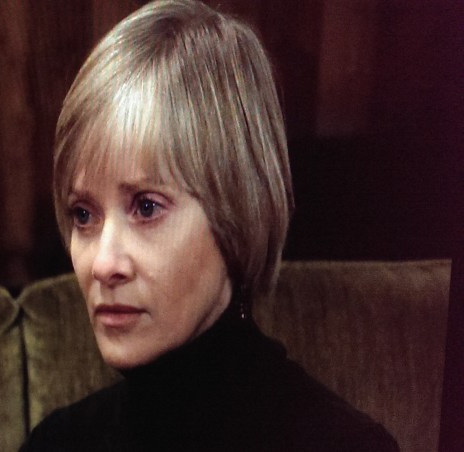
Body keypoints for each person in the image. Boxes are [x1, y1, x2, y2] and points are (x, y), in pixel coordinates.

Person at [20, 1, 399, 450]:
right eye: (83, 215)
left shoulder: (347, 444)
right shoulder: (56, 444)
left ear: (237, 211)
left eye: (146, 207)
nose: (102, 264)